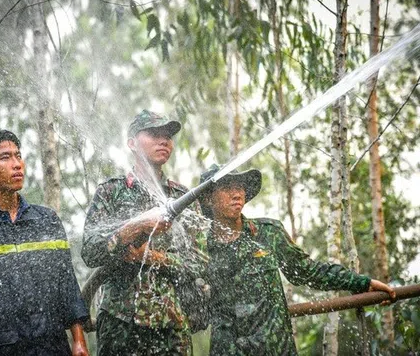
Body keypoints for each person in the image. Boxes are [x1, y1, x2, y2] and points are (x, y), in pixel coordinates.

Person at [198, 164, 396, 355]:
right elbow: (194, 307)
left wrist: (362, 282)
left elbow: (307, 271)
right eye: (226, 187)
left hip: (276, 349)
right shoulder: (200, 248)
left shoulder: (268, 234)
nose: (237, 193)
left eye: (239, 187)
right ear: (208, 198)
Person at [0, 130, 90, 356]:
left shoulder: (46, 220)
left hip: (51, 347)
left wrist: (79, 340)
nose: (17, 164)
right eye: (5, 157)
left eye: (18, 155)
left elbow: (66, 284)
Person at [82, 110, 207, 356]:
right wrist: (133, 229)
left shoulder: (183, 197)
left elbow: (200, 263)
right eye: (154, 134)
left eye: (168, 136)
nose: (164, 141)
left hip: (172, 325)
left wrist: (151, 258)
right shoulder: (111, 192)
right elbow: (90, 252)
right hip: (120, 323)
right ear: (131, 143)